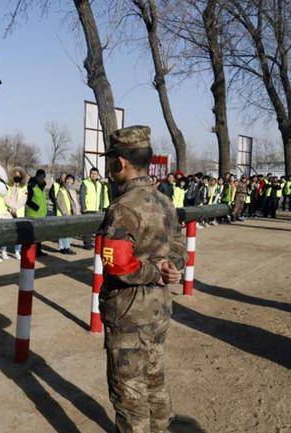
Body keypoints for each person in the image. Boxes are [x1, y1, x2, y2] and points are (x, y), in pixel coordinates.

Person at [98, 126, 186, 433]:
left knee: (129, 395)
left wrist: (156, 270)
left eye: (110, 162)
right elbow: (178, 246)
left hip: (128, 314)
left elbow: (117, 265)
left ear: (119, 163)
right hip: (159, 309)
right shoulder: (165, 201)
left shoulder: (123, 209)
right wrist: (172, 267)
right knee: (154, 381)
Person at [4, 167, 28, 260]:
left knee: (19, 234)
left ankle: (17, 252)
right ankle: (3, 251)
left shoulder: (24, 187)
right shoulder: (8, 185)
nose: (17, 177)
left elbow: (23, 200)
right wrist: (11, 207)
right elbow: (6, 198)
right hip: (8, 212)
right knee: (7, 233)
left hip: (19, 212)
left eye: (19, 175)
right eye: (15, 175)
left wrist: (16, 208)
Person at [80, 167, 107, 249]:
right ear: (89, 174)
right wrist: (83, 207)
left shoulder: (99, 184)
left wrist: (100, 207)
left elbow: (101, 196)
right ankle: (87, 244)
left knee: (96, 228)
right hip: (88, 209)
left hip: (96, 209)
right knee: (87, 228)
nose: (93, 175)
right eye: (92, 173)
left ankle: (92, 243)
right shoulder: (85, 183)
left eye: (95, 174)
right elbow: (82, 195)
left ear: (98, 175)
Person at [25, 169, 48, 257]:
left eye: (43, 177)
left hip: (42, 215)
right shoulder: (31, 186)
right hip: (33, 214)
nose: (41, 179)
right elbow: (27, 200)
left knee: (39, 235)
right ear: (36, 176)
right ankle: (31, 252)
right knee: (32, 235)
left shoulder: (42, 187)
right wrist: (37, 208)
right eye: (40, 177)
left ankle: (38, 251)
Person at [56, 174, 79, 255]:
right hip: (63, 215)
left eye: (71, 180)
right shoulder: (61, 190)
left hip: (70, 214)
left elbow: (74, 202)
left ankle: (65, 247)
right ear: (65, 181)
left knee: (68, 232)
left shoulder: (72, 190)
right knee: (64, 232)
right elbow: (59, 202)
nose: (69, 181)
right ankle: (65, 248)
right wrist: (64, 213)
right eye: (68, 179)